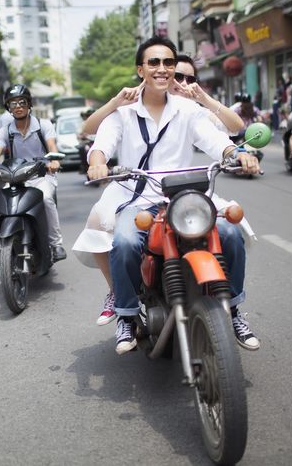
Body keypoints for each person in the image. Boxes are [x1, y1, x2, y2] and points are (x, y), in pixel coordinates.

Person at [78, 36, 260, 354]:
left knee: (230, 234)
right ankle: (127, 314)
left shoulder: (188, 110)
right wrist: (97, 163)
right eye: (154, 62)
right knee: (125, 242)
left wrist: (237, 154)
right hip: (139, 199)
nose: (162, 68)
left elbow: (217, 141)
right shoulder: (123, 112)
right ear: (141, 69)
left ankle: (233, 310)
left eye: (168, 62)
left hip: (185, 198)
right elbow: (101, 144)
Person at [0, 84, 67, 263]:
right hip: (16, 178)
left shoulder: (43, 125)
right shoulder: (5, 131)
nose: (18, 106)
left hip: (42, 176)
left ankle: (56, 244)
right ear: (8, 108)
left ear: (29, 104)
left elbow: (52, 146)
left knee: (46, 199)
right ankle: (1, 248)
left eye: (22, 102)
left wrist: (54, 161)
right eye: (13, 103)